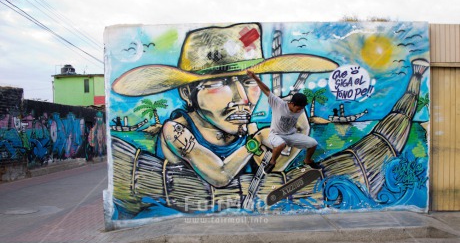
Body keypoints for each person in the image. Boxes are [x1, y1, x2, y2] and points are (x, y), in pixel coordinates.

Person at [112, 23, 336, 187]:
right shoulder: (176, 131)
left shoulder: (246, 129)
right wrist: (254, 142)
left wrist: (301, 129)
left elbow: (272, 169)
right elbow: (220, 176)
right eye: (220, 83)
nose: (243, 98)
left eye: (249, 82)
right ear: (187, 93)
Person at [247, 70, 321, 173]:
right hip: (276, 135)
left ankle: (307, 160)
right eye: (298, 108)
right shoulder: (279, 104)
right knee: (281, 144)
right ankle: (272, 162)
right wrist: (255, 77)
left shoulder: (301, 109)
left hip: (290, 135)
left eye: (302, 108)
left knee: (313, 143)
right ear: (292, 104)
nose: (300, 111)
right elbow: (266, 91)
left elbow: (304, 127)